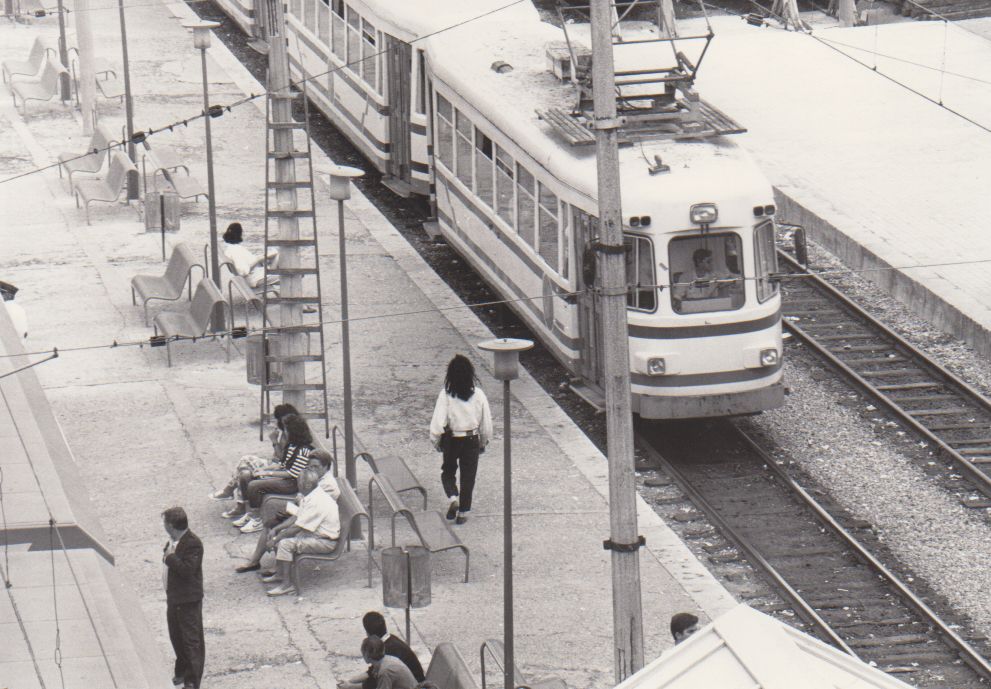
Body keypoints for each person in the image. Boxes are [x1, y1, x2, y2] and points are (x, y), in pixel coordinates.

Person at [429, 354, 492, 525]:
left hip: (452, 439)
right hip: (471, 438)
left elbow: (438, 423)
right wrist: (483, 442)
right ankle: (463, 512)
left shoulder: (446, 394)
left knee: (448, 471)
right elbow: (486, 423)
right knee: (468, 476)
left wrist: (436, 441)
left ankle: (452, 497)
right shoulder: (478, 394)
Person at [259, 467, 341, 596]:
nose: (297, 484)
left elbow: (298, 527)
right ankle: (280, 574)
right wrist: (276, 529)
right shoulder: (311, 494)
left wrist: (276, 539)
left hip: (325, 541)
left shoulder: (316, 501)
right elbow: (297, 516)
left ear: (306, 484)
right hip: (316, 534)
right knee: (282, 534)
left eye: (299, 482)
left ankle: (287, 585)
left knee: (285, 543)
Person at [234, 415, 315, 534]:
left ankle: (257, 520)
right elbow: (282, 464)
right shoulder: (292, 445)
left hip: (292, 484)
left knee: (254, 485)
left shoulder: (304, 450)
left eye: (286, 430)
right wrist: (263, 469)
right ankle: (250, 513)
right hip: (284, 478)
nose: (285, 432)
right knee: (246, 476)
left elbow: (292, 473)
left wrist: (267, 473)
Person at [210, 403, 298, 507]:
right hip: (275, 464)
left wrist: (274, 441)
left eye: (277, 420)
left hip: (279, 467)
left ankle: (233, 495)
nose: (276, 423)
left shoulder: (291, 433)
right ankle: (235, 497)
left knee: (245, 466)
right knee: (244, 465)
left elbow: (282, 459)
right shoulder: (284, 430)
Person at [162, 507, 205, 689]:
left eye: (165, 523)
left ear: (171, 526)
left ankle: (192, 681)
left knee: (191, 641)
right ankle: (181, 671)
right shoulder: (173, 541)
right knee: (176, 637)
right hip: (174, 597)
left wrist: (170, 558)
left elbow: (188, 570)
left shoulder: (193, 543)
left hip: (187, 600)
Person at [337, 611, 425, 689]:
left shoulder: (388, 656)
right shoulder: (386, 645)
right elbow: (371, 673)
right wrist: (349, 682)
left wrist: (350, 686)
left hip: (417, 683)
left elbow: (374, 683)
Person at [222, 222, 278, 290]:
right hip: (254, 278)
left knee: (277, 255)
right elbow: (244, 271)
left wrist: (263, 257)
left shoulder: (231, 249)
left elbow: (248, 262)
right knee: (287, 275)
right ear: (240, 234)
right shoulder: (235, 250)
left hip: (256, 275)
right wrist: (259, 259)